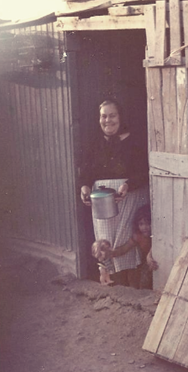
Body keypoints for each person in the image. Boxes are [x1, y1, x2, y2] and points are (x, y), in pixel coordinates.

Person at [80, 100, 149, 287]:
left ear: (121, 117)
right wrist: (85, 187)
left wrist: (128, 185)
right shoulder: (95, 142)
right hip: (102, 200)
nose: (107, 120)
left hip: (129, 197)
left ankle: (131, 287)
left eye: (112, 115)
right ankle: (111, 285)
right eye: (103, 116)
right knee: (105, 242)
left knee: (126, 240)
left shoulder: (134, 141)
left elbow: (145, 172)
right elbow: (86, 172)